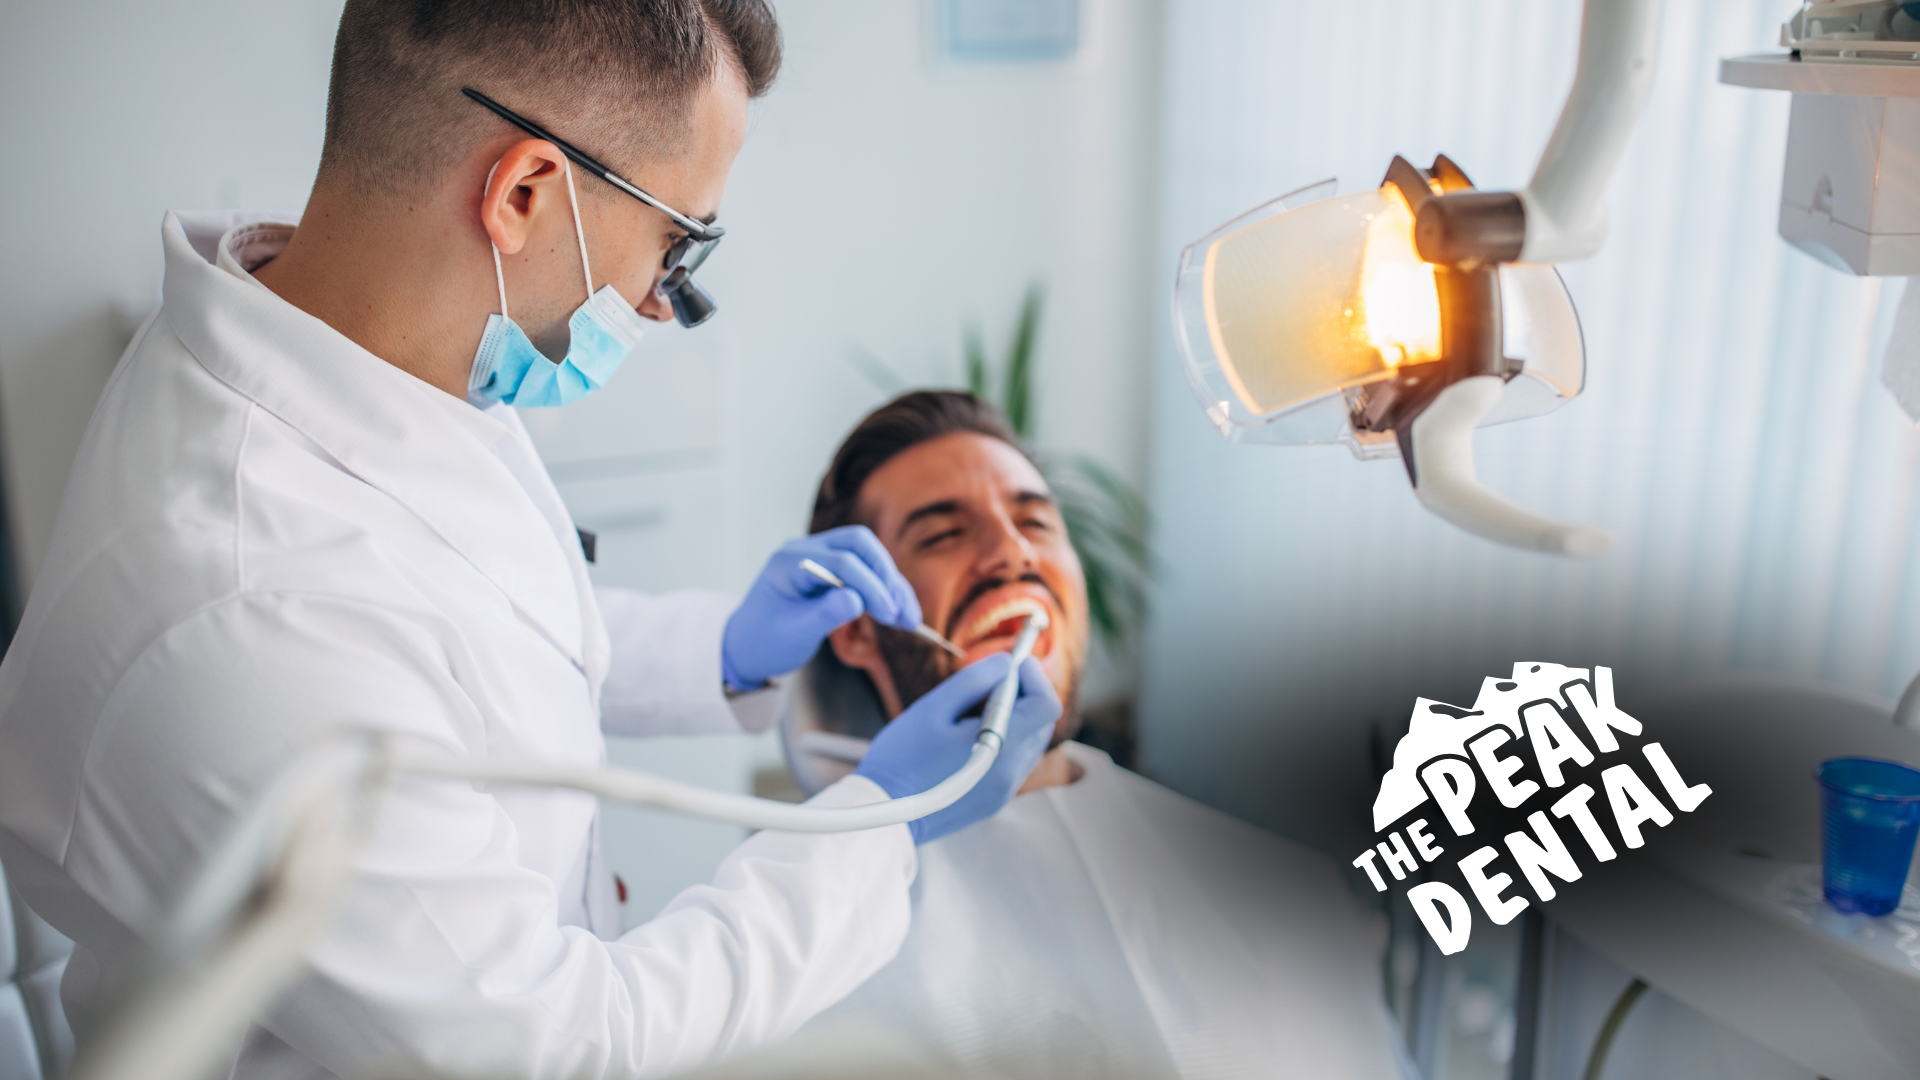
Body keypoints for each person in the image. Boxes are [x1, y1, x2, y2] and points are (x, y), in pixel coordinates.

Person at [0, 5, 1058, 1079]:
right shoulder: (249, 606)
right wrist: (876, 826)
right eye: (678, 241)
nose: (658, 302)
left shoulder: (350, 340)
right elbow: (556, 1046)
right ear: (522, 194)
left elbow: (457, 648)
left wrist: (720, 653)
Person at [779, 392, 1408, 1080]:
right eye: (941, 535)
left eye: (1036, 522)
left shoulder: (1291, 894)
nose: (1012, 553)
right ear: (857, 629)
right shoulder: (804, 956)